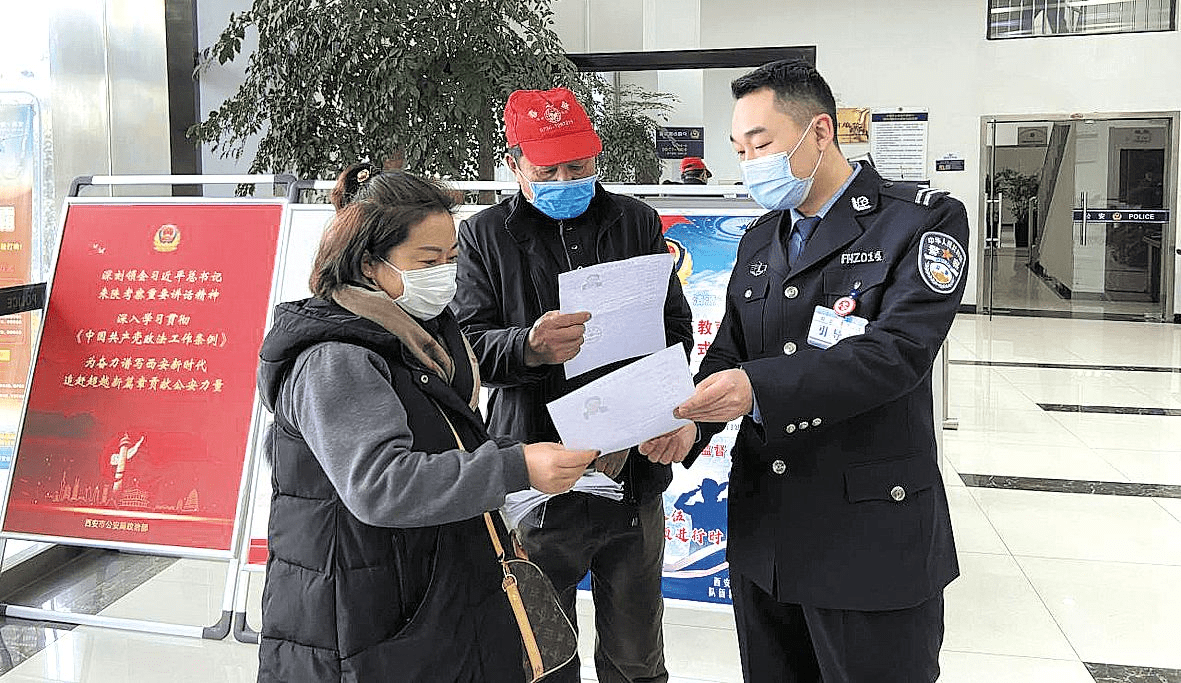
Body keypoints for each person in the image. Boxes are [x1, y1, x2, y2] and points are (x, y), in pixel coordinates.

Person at [673, 60, 967, 682]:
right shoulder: (759, 239)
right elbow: (730, 351)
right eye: (738, 147)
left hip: (866, 531)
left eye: (762, 142)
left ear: (821, 132)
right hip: (767, 533)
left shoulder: (920, 221)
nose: (750, 161)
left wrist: (756, 386)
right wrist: (689, 424)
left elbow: (898, 354)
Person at [255, 165, 598, 683]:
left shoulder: (424, 335)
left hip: (425, 587)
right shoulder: (337, 358)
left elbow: (446, 437)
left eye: (453, 258)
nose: (445, 272)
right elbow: (381, 484)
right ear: (371, 266)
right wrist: (514, 467)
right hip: (359, 613)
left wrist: (526, 454)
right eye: (428, 260)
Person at [453, 87, 696, 683]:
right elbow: (463, 348)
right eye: (549, 169)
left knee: (636, 650)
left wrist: (666, 405)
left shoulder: (635, 220)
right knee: (541, 650)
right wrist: (528, 347)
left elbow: (677, 328)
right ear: (513, 165)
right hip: (538, 469)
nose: (567, 178)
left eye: (579, 166)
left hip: (630, 467)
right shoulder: (484, 235)